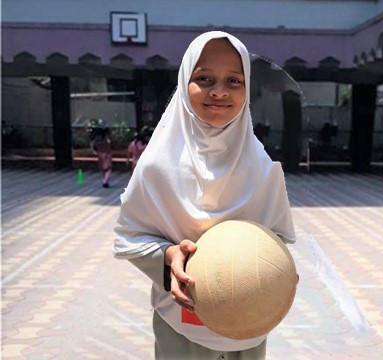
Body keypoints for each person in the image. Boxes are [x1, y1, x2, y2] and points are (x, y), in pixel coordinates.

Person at [112, 31, 296, 359]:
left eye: (234, 81)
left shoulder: (264, 168)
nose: (219, 91)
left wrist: (278, 270)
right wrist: (167, 258)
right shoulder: (157, 165)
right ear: (185, 82)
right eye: (205, 78)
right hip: (180, 324)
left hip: (247, 324)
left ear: (247, 87)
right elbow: (132, 237)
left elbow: (277, 237)